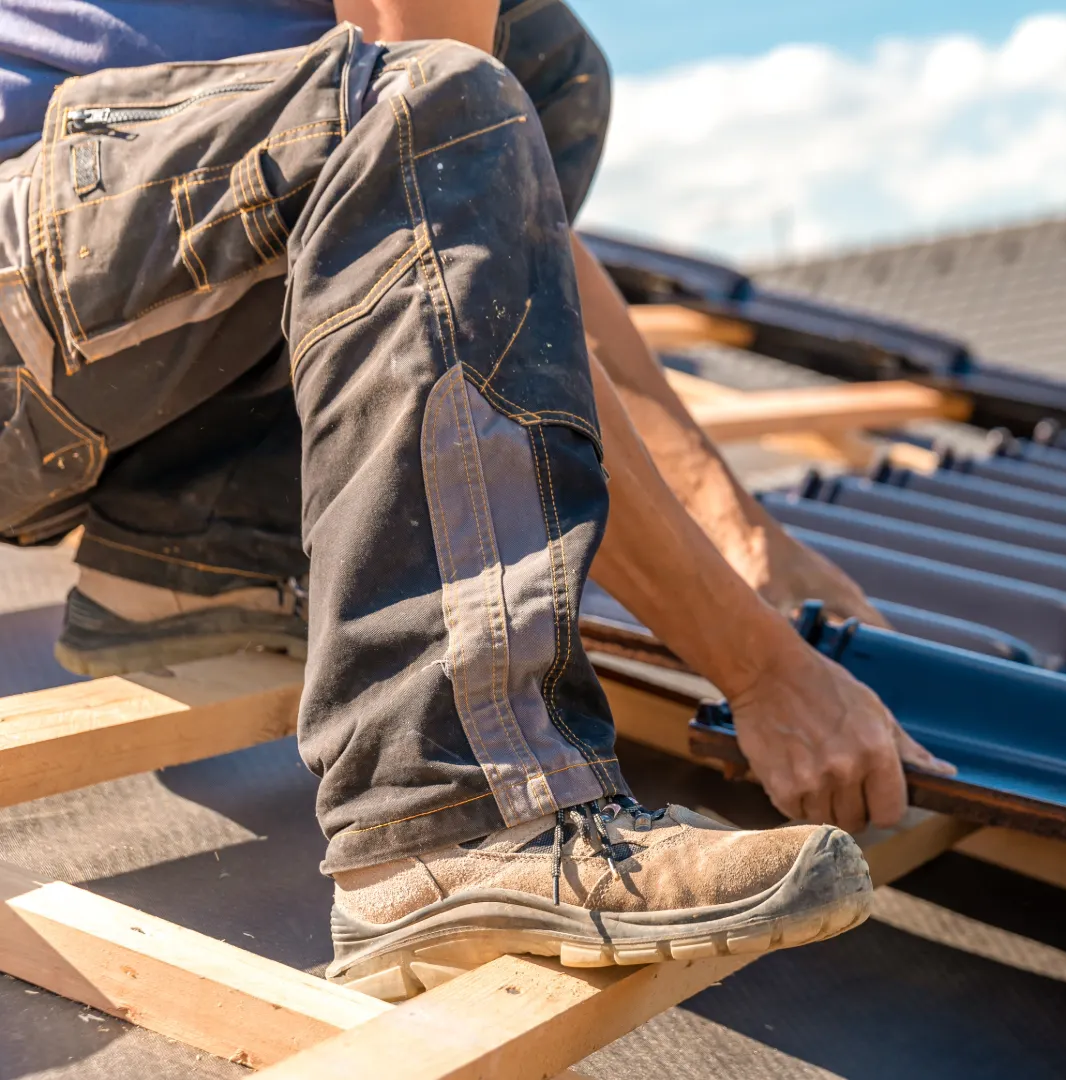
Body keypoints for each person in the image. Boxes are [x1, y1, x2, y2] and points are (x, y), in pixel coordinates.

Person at [0, 0, 950, 1000]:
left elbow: (495, 218)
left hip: (78, 304)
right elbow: (436, 153)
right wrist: (762, 671)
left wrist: (739, 530)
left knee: (544, 68)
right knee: (444, 104)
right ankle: (449, 816)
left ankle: (195, 546)